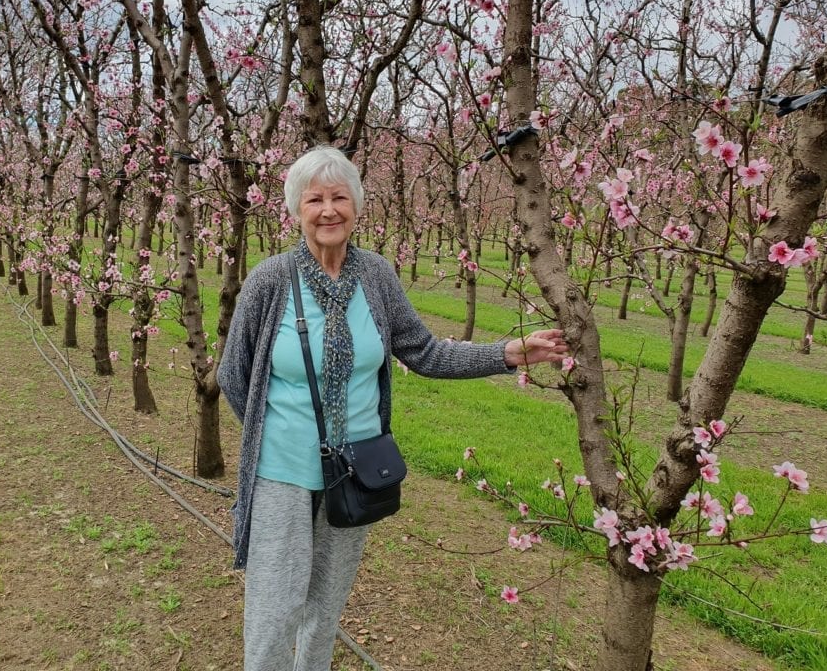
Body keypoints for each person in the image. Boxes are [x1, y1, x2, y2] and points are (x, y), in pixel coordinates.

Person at [217, 145, 568, 671]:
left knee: (326, 602)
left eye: (340, 197)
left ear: (357, 207)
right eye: (315, 199)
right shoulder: (270, 281)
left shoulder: (377, 277)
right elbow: (233, 372)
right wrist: (268, 436)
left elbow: (425, 353)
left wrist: (509, 352)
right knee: (275, 607)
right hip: (281, 475)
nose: (329, 210)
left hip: (357, 472)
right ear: (296, 210)